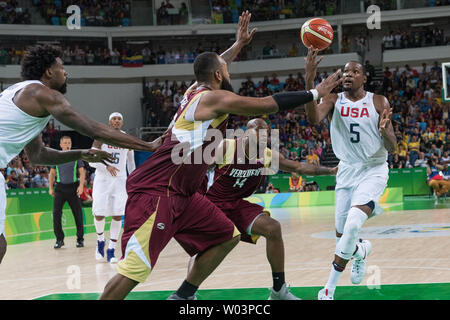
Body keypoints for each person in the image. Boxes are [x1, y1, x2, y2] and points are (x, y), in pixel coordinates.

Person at [100, 11, 342, 300]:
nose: (228, 73)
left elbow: (216, 65)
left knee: (226, 236)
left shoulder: (193, 90)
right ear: (217, 76)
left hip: (185, 195)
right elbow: (266, 104)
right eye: (225, 71)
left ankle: (183, 295)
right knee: (135, 270)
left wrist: (238, 44)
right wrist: (314, 93)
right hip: (158, 191)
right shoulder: (213, 99)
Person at [0, 44, 164, 264]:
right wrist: (148, 146)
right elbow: (95, 129)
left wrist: (82, 153)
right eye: (61, 67)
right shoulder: (44, 94)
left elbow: (38, 155)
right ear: (49, 72)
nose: (66, 72)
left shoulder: (19, 92)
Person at [194, 118, 336, 300]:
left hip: (236, 204)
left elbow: (298, 166)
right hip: (213, 204)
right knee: (206, 248)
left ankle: (279, 291)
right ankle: (188, 293)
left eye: (266, 131)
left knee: (273, 228)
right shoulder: (227, 147)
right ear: (246, 132)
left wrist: (330, 171)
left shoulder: (267, 155)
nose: (263, 133)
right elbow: (197, 167)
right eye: (257, 129)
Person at [303, 47, 396, 300]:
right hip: (346, 171)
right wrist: (310, 82)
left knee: (354, 223)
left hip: (373, 169)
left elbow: (393, 148)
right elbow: (313, 119)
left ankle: (328, 289)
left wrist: (387, 132)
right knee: (342, 235)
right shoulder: (333, 100)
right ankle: (361, 251)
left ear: (364, 78)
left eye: (355, 71)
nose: (348, 75)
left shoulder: (378, 101)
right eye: (345, 71)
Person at [89, 112, 136, 263]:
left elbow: (131, 162)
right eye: (114, 119)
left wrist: (132, 179)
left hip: (120, 180)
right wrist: (106, 166)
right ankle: (100, 240)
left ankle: (111, 249)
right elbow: (91, 161)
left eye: (119, 119)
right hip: (103, 179)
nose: (116, 121)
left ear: (122, 122)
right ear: (109, 122)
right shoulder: (101, 137)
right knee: (99, 213)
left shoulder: (126, 138)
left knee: (118, 214)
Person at [48, 136, 86, 249]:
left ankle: (80, 239)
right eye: (65, 143)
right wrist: (50, 187)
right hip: (60, 189)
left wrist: (81, 186)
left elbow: (82, 172)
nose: (67, 145)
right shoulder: (56, 157)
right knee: (56, 214)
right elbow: (52, 173)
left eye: (69, 143)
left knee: (78, 214)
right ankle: (59, 239)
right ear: (61, 145)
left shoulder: (76, 156)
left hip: (73, 188)